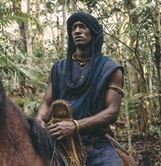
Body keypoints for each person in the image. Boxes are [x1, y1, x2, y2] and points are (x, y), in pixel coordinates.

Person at [37, 11, 124, 166]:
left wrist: (76, 126)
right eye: (73, 28)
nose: (77, 30)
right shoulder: (58, 68)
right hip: (59, 140)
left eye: (83, 27)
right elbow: (47, 104)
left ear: (94, 32)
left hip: (96, 143)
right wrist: (39, 121)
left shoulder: (111, 69)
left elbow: (112, 111)